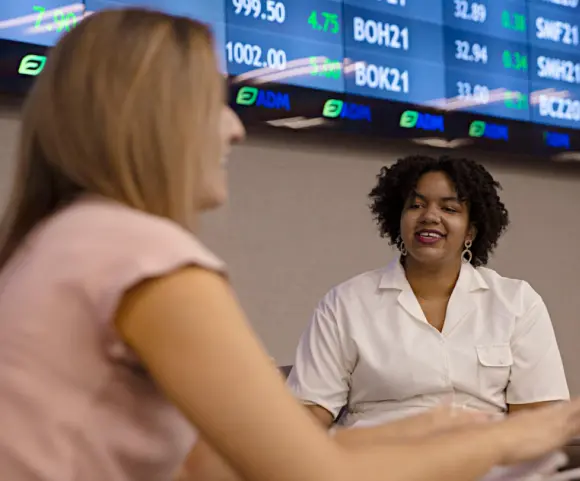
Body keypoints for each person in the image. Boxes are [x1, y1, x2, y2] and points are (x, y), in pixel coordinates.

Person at [0, 8, 579, 481]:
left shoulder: (71, 240)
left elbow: (211, 469)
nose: (233, 127)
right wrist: (518, 437)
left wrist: (416, 434)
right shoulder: (140, 255)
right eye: (213, 103)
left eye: (451, 208)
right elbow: (306, 473)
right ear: (150, 119)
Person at [287, 155, 570, 429]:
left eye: (449, 209)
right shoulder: (346, 303)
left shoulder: (517, 301)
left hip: (484, 465)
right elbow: (308, 415)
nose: (430, 216)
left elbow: (538, 420)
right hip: (377, 462)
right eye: (416, 205)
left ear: (470, 231)